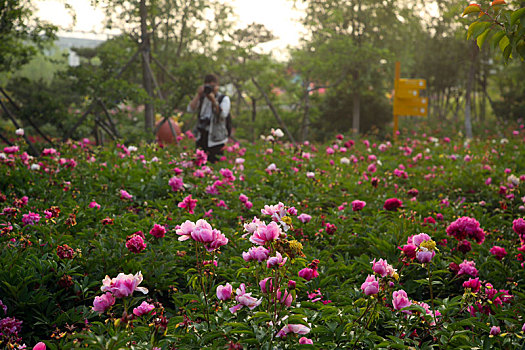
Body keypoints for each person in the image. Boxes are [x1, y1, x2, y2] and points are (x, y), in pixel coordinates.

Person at [187, 74, 231, 163]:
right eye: (207, 86)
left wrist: (213, 100)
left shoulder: (224, 99)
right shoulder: (202, 98)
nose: (209, 88)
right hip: (201, 136)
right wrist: (198, 95)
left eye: (212, 86)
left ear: (217, 86)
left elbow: (223, 115)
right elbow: (190, 109)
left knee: (215, 166)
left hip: (216, 140)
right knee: (199, 165)